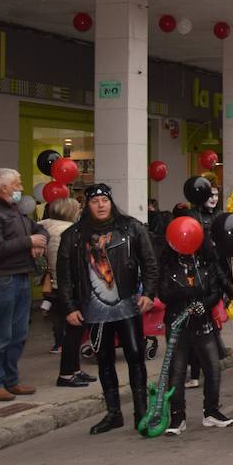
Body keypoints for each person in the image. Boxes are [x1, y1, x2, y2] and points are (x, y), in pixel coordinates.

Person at [58, 183, 159, 433]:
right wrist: (69, 307)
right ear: (86, 205)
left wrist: (148, 293)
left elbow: (150, 263)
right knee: (104, 360)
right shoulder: (73, 236)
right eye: (95, 201)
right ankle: (113, 413)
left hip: (127, 306)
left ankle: (141, 413)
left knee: (136, 357)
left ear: (111, 202)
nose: (101, 205)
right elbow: (65, 276)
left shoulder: (131, 227)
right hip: (94, 310)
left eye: (104, 200)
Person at [0, 168, 47, 401]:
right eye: (17, 184)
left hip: (21, 274)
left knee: (19, 332)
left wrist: (39, 241)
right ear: (3, 187)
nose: (21, 188)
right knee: (1, 333)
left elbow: (39, 228)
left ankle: (9, 378)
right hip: (1, 277)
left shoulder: (15, 211)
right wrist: (29, 241)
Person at [156, 215, 233, 433]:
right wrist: (186, 296)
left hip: (203, 323)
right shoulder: (168, 264)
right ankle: (177, 417)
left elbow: (216, 291)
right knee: (177, 371)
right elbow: (163, 294)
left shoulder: (207, 262)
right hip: (177, 325)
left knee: (212, 368)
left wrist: (204, 304)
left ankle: (211, 411)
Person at [40, 197, 92, 388]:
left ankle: (74, 369)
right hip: (68, 285)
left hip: (59, 284)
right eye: (77, 208)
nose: (79, 211)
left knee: (74, 331)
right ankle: (67, 374)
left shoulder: (47, 228)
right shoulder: (66, 231)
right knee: (74, 330)